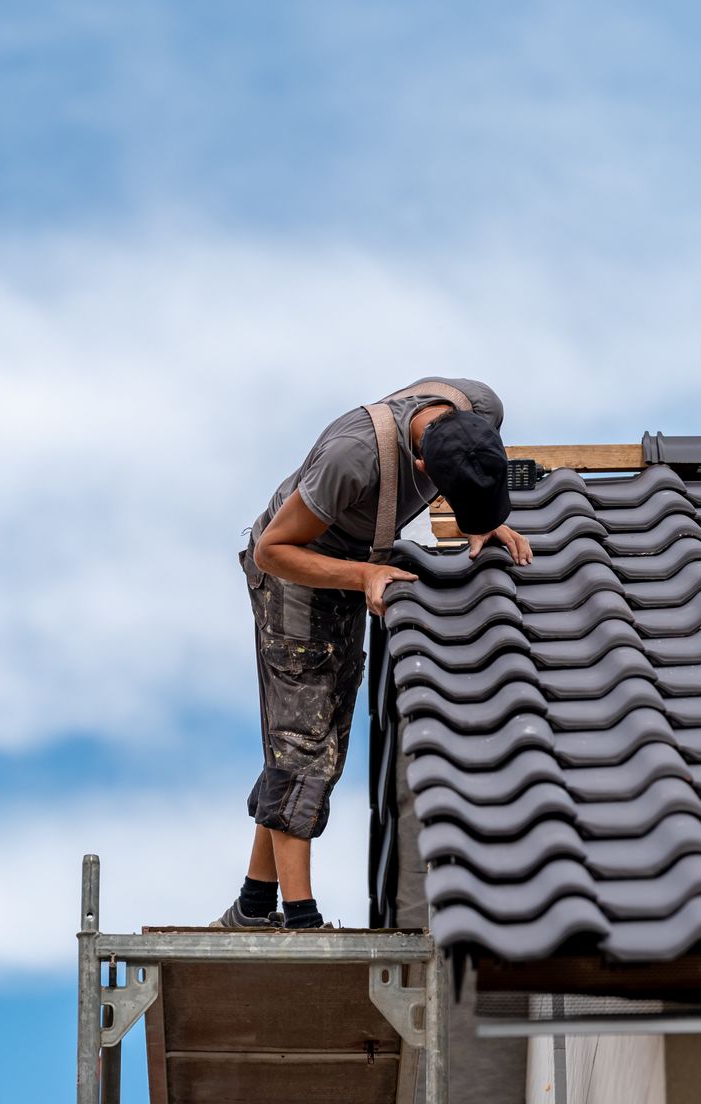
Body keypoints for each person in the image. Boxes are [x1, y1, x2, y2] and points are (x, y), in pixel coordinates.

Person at [216, 378, 534, 930]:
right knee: (303, 743)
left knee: (324, 737)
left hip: (357, 559)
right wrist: (363, 573)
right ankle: (300, 919)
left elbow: (470, 465)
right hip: (298, 568)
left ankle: (252, 904)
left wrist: (484, 517)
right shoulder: (354, 457)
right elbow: (273, 552)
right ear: (419, 464)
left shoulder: (478, 407)